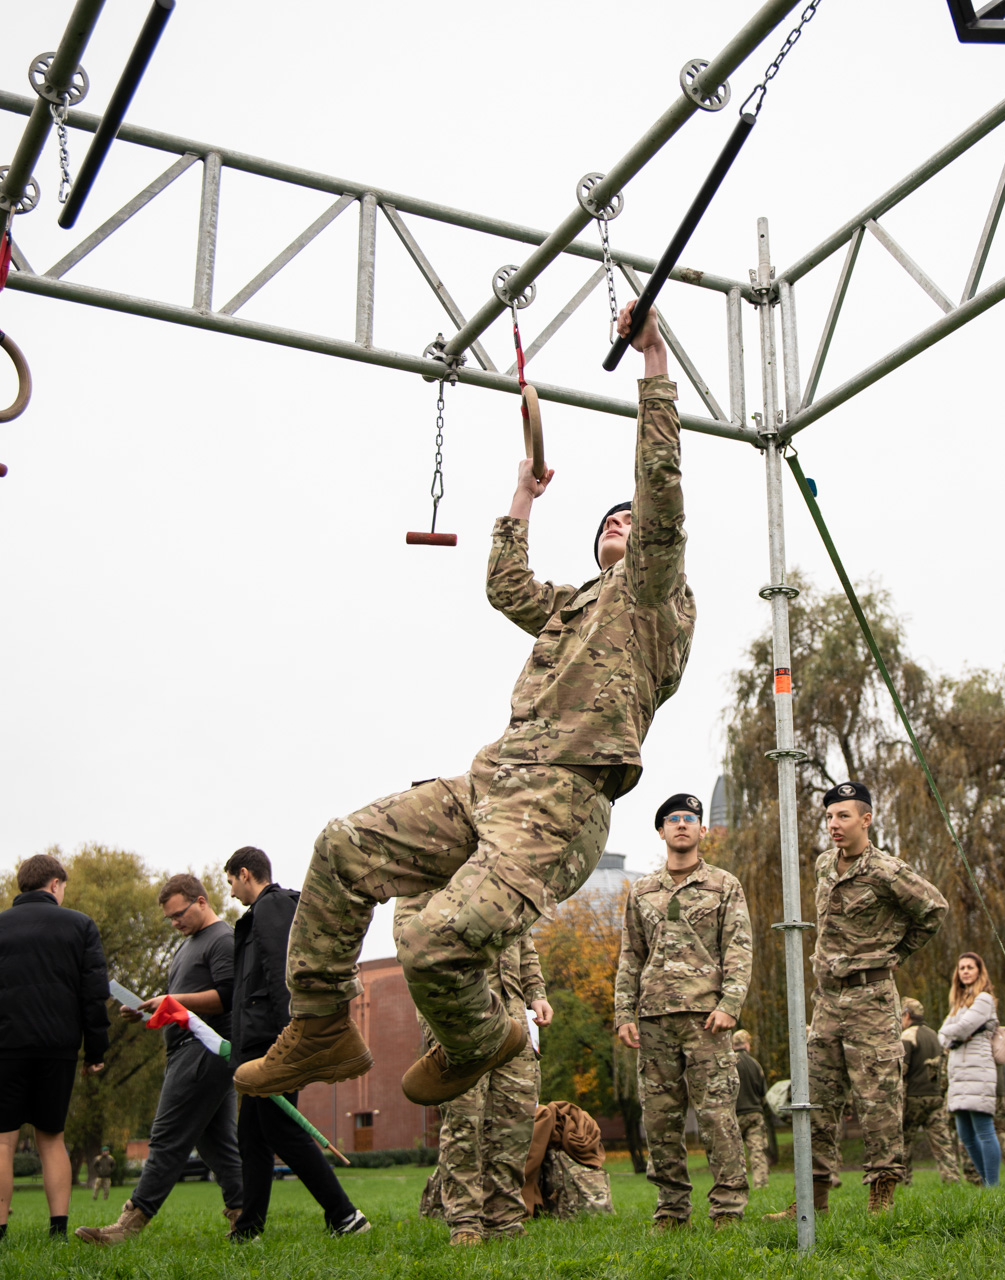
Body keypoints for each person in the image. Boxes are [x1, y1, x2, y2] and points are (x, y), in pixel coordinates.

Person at [235, 304, 693, 1114]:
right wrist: (522, 496)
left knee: (428, 938)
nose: (620, 524)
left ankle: (486, 1036)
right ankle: (319, 1024)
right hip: (490, 785)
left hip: (561, 805)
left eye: (627, 522)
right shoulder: (572, 606)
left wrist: (653, 358)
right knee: (342, 847)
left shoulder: (655, 602)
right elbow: (506, 587)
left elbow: (659, 493)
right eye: (607, 525)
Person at [769, 782, 948, 1220]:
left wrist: (895, 953)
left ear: (865, 820)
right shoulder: (823, 865)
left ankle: (881, 1197)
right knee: (818, 1101)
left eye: (843, 816)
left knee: (878, 1100)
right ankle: (812, 1201)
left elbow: (934, 910)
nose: (834, 825)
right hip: (827, 1001)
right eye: (829, 817)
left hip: (871, 998)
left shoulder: (888, 871)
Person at [78, 874, 244, 1244]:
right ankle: (245, 1220)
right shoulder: (187, 946)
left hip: (205, 1051)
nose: (175, 923)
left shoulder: (222, 939)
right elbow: (177, 1004)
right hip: (185, 1051)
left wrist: (173, 1002)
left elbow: (227, 996)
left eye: (179, 914)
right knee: (217, 1142)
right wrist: (146, 1011)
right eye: (169, 918)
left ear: (201, 901)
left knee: (166, 1136)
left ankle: (128, 1225)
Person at [614, 792, 751, 1229]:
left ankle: (727, 1209)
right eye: (673, 819)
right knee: (660, 1121)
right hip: (653, 1021)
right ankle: (671, 1210)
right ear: (661, 831)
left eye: (690, 819)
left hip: (706, 1019)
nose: (681, 825)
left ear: (702, 830)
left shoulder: (724, 885)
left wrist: (731, 1003)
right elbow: (630, 956)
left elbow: (739, 947)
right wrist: (623, 1013)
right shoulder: (642, 891)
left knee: (717, 1117)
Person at [0, 851, 110, 1239]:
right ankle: (57, 1229)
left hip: (5, 1047)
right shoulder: (80, 926)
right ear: (56, 885)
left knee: (1, 1142)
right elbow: (94, 995)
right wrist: (95, 1052)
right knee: (52, 1137)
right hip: (57, 1047)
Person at [223, 846, 369, 1241]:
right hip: (258, 1042)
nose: (232, 893)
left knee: (283, 1132)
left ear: (245, 873)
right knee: (252, 1137)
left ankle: (345, 1215)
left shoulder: (272, 908)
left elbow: (280, 970)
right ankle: (248, 1229)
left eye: (231, 883)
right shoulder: (262, 913)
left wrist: (292, 1035)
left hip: (273, 1044)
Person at [423, 936, 549, 1245]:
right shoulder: (429, 885)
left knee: (515, 1121)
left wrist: (537, 993)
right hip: (458, 1013)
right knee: (464, 1119)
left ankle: (504, 1219)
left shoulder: (512, 886)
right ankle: (465, 1221)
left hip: (513, 1016)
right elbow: (412, 945)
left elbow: (526, 946)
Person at [940, 953, 1002, 1188]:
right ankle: (985, 1181)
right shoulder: (958, 1003)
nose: (965, 971)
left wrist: (951, 1033)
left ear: (979, 971)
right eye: (962, 968)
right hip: (958, 1073)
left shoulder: (984, 999)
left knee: (984, 1129)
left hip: (978, 1069)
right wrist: (951, 1034)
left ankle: (993, 1186)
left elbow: (964, 1027)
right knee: (965, 1133)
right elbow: (941, 1034)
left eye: (970, 967)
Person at [898, 999, 961, 1185]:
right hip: (935, 1096)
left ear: (907, 1015)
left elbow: (903, 1069)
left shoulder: (907, 1035)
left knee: (905, 1142)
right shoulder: (935, 1035)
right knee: (943, 1142)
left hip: (913, 1098)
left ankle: (903, 1181)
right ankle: (952, 1179)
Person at [731, 1030, 775, 1190]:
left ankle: (735, 1186)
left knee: (733, 1153)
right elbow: (764, 1093)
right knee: (757, 1152)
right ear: (747, 1044)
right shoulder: (755, 1064)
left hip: (733, 1114)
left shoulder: (728, 1063)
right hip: (754, 1113)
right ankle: (761, 1184)